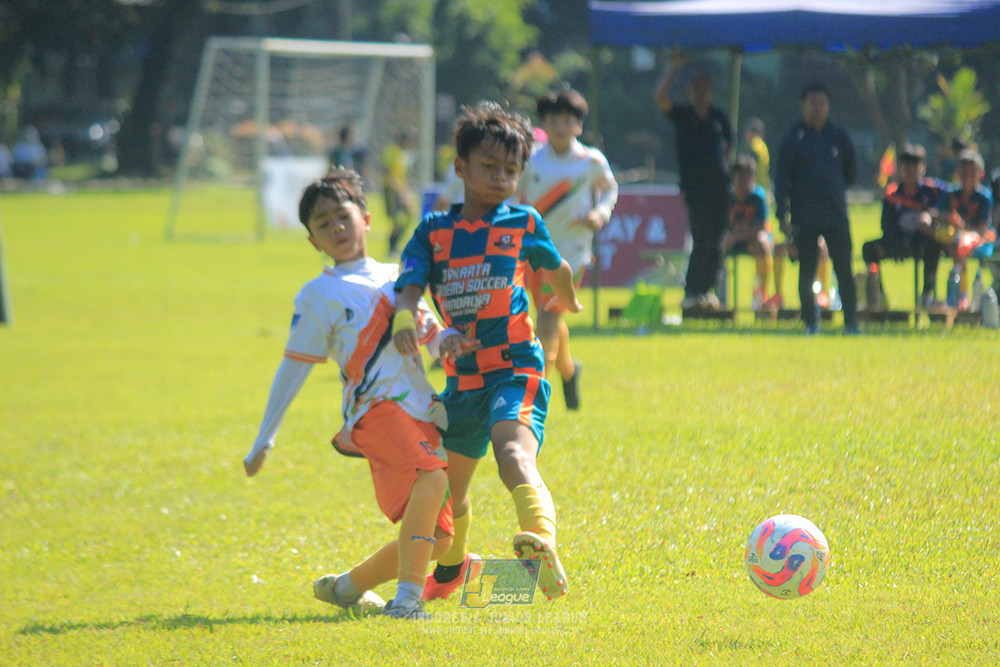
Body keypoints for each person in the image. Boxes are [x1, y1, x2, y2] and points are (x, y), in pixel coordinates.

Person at [243, 168, 476, 620]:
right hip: (374, 410)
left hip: (421, 409)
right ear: (313, 241)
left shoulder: (400, 277)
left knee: (441, 539)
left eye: (343, 216)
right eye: (323, 223)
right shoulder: (318, 295)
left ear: (366, 219)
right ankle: (407, 601)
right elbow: (293, 368)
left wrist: (448, 340)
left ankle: (347, 588)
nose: (336, 228)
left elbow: (431, 332)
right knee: (433, 478)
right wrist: (263, 439)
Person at [393, 101, 582, 603]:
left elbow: (555, 264)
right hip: (462, 379)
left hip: (517, 367)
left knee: (511, 450)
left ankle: (541, 541)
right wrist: (401, 317)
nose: (501, 178)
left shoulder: (523, 220)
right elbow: (408, 286)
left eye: (511, 171)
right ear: (460, 168)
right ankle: (452, 571)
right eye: (489, 167)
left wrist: (567, 293)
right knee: (445, 493)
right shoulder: (433, 231)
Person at [517, 87, 618, 410]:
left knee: (547, 312)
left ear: (578, 125)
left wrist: (600, 214)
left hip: (572, 252)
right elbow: (512, 193)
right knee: (548, 312)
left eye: (566, 121)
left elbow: (609, 190)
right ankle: (570, 372)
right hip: (533, 249)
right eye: (553, 120)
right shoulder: (531, 160)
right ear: (544, 123)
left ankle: (537, 385)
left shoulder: (590, 161)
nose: (560, 127)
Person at [774, 82, 859, 335]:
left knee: (844, 269)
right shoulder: (794, 139)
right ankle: (811, 323)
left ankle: (851, 323)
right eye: (812, 103)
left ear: (828, 105)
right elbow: (781, 181)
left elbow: (850, 173)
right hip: (804, 217)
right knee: (807, 270)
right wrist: (782, 214)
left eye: (821, 103)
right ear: (803, 105)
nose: (817, 108)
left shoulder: (839, 137)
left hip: (835, 215)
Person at [655, 50, 733, 311]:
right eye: (697, 88)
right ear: (689, 91)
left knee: (718, 240)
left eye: (706, 88)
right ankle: (693, 291)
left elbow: (729, 147)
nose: (702, 93)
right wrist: (674, 68)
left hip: (720, 188)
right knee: (702, 239)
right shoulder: (683, 114)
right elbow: (661, 97)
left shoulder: (719, 117)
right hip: (696, 189)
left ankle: (707, 290)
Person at [860, 144, 943, 311]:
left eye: (915, 167)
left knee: (934, 245)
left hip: (921, 242)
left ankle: (927, 293)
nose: (910, 171)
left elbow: (939, 217)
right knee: (869, 248)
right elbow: (887, 224)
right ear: (900, 169)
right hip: (896, 241)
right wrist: (895, 241)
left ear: (922, 168)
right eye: (906, 167)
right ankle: (879, 295)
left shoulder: (933, 192)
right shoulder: (892, 193)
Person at [919, 149, 994, 310]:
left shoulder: (984, 197)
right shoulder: (951, 193)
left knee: (960, 243)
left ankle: (962, 294)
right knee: (937, 240)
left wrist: (962, 226)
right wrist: (945, 218)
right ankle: (931, 296)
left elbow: (982, 230)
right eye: (964, 172)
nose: (967, 176)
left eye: (972, 172)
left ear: (980, 174)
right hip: (951, 238)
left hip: (977, 239)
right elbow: (935, 212)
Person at [722, 154, 774, 311]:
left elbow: (760, 226)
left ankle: (762, 294)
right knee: (717, 246)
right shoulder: (727, 197)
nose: (743, 184)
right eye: (740, 179)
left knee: (761, 244)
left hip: (751, 240)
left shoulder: (758, 198)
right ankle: (718, 295)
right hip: (731, 241)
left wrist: (736, 236)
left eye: (747, 179)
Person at [382, 130, 417, 256]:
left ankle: (395, 245)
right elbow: (388, 172)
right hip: (391, 190)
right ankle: (391, 247)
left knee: (409, 215)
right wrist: (397, 190)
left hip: (401, 190)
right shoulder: (392, 151)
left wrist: (405, 190)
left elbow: (403, 175)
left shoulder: (404, 155)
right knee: (397, 217)